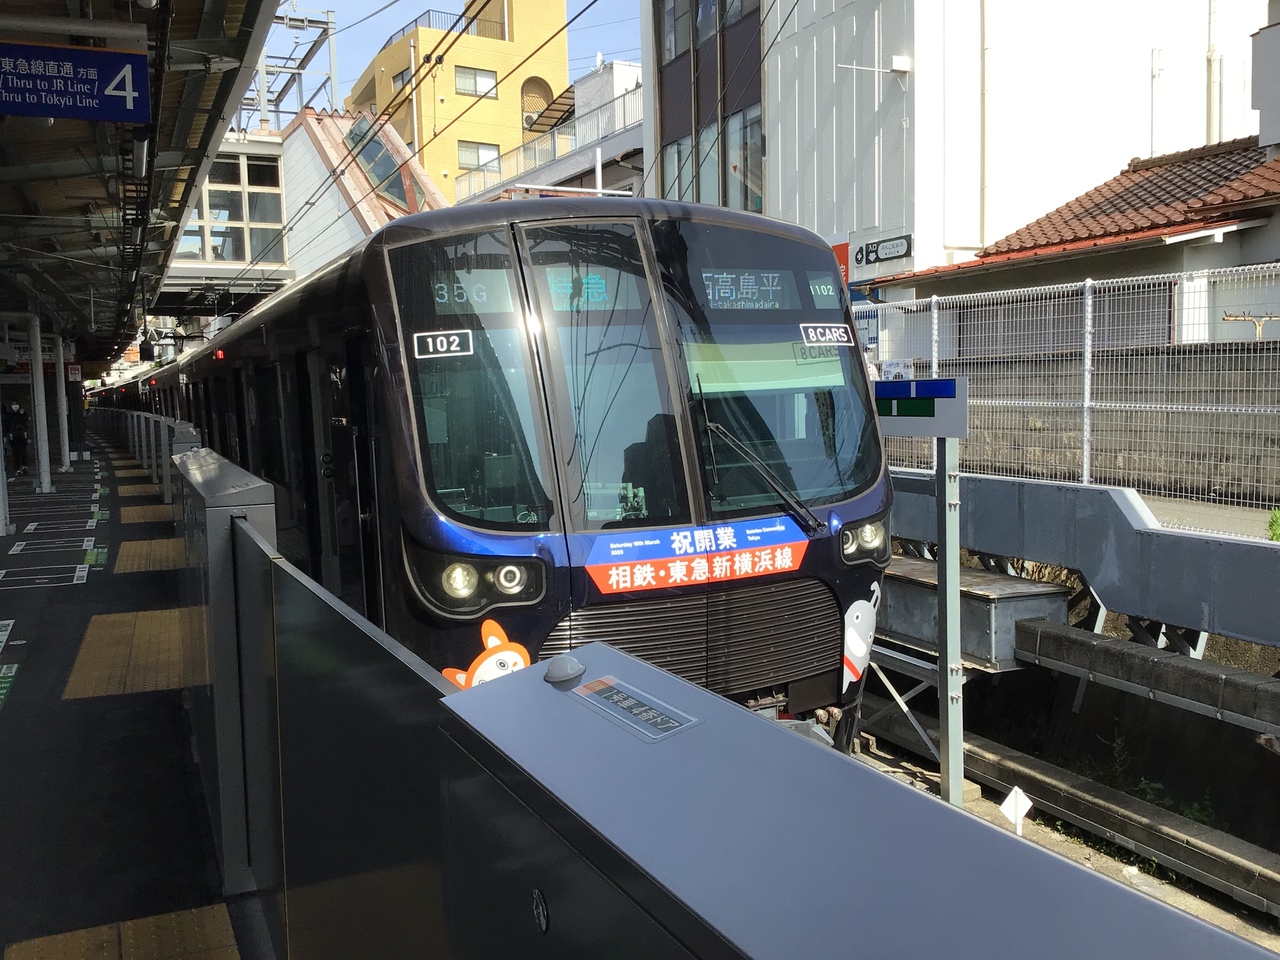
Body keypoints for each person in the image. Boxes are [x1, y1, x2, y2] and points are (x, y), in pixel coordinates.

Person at [4, 401, 29, 477]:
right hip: (14, 435)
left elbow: (25, 420)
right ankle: (18, 469)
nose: (15, 406)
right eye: (13, 405)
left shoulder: (22, 413)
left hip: (21, 434)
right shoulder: (9, 415)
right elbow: (7, 425)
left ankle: (24, 467)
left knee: (23, 452)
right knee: (16, 453)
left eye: (16, 405)